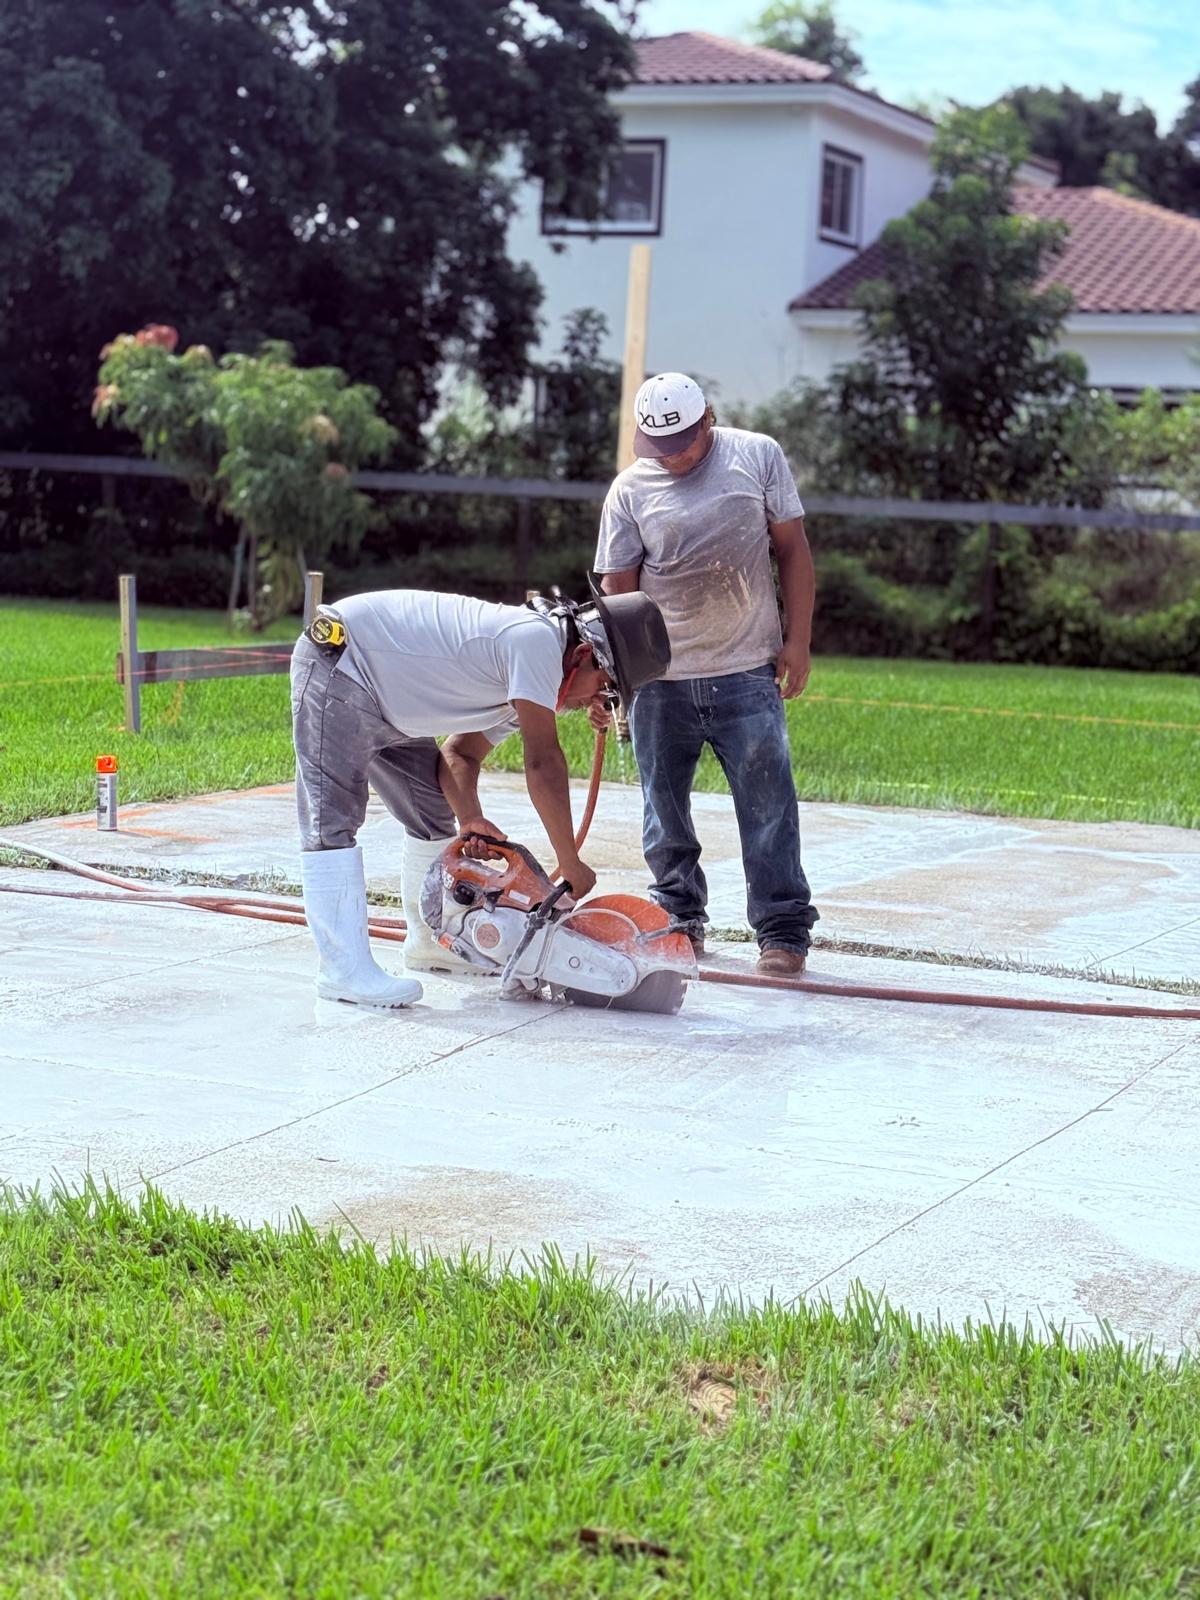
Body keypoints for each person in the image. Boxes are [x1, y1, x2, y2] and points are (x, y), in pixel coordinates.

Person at [291, 581, 670, 1009]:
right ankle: (342, 972)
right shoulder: (535, 642)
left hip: (390, 698)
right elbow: (543, 762)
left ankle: (429, 944)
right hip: (344, 663)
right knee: (331, 822)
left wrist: (469, 819)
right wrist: (569, 861)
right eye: (604, 685)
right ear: (583, 655)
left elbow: (460, 755)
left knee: (429, 811)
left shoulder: (521, 684)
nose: (597, 701)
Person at [594, 372, 818, 977]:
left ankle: (782, 930)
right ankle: (679, 918)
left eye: (683, 444)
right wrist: (620, 675)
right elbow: (618, 589)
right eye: (660, 447)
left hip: (747, 669)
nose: (673, 457)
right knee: (663, 810)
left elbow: (793, 550)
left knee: (768, 806)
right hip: (660, 680)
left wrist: (797, 640)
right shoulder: (630, 490)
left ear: (708, 419)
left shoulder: (757, 456)